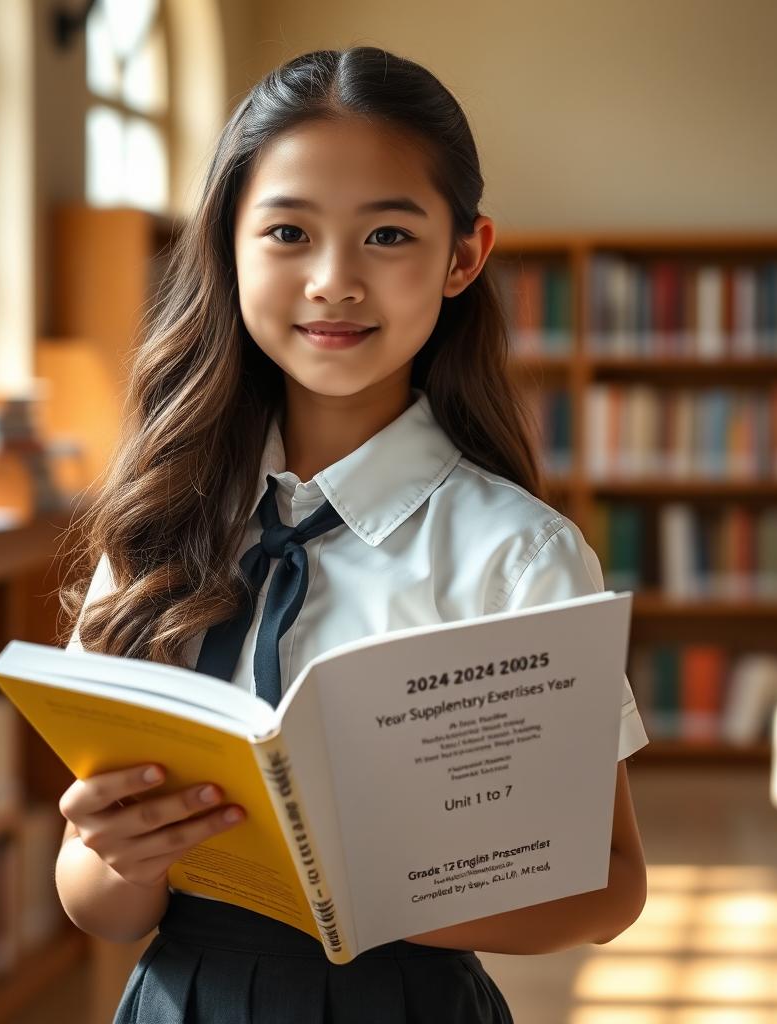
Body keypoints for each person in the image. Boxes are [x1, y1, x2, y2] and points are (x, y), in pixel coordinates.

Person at [54, 45, 650, 1024]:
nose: (333, 281)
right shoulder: (153, 525)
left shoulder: (516, 553)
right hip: (187, 997)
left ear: (464, 256)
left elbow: (613, 885)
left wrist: (385, 890)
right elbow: (98, 903)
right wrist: (113, 857)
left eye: (385, 235)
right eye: (288, 231)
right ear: (227, 248)